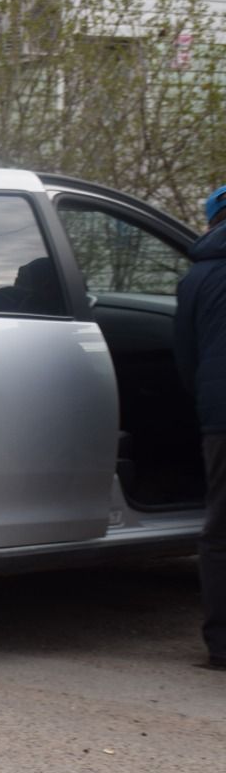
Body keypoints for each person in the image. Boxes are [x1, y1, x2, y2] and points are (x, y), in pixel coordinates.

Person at [176, 184, 226, 673]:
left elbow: (187, 357)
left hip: (221, 413)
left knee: (221, 529)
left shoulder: (197, 278)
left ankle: (221, 645)